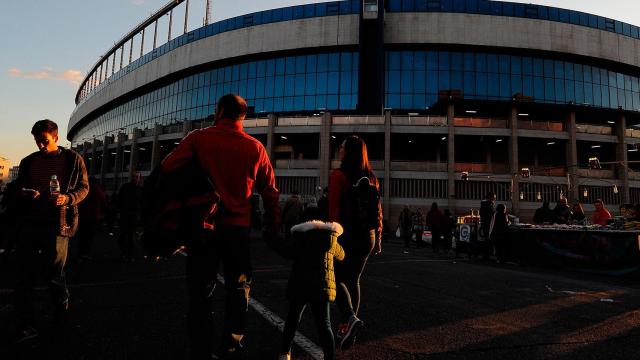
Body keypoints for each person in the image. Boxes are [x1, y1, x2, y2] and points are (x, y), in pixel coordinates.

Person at [161, 94, 280, 359]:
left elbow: (168, 166)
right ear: (243, 116)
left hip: (204, 226)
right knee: (238, 288)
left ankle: (201, 350)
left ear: (219, 112)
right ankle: (230, 345)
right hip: (238, 227)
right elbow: (270, 191)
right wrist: (273, 223)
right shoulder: (255, 147)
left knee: (200, 291)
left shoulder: (198, 138)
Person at [13, 119, 89, 342]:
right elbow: (18, 186)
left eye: (44, 141)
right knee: (23, 275)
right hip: (30, 223)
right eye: (37, 141)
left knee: (55, 274)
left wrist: (68, 198)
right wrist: (24, 192)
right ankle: (25, 324)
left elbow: (84, 188)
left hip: (57, 225)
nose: (40, 145)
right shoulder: (28, 162)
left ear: (55, 137)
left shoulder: (73, 160)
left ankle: (60, 315)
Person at [328, 135, 382, 350]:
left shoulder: (338, 176)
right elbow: (378, 210)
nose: (339, 149)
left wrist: (332, 237)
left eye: (341, 147)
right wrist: (378, 237)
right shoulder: (372, 177)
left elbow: (333, 212)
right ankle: (346, 327)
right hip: (367, 236)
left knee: (335, 277)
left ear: (347, 151)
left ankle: (349, 319)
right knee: (354, 280)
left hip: (346, 234)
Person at [279, 221, 345, 360]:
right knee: (324, 324)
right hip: (323, 286)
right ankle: (329, 356)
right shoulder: (330, 237)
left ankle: (285, 353)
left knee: (292, 320)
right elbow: (342, 255)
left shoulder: (301, 237)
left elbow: (287, 252)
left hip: (300, 283)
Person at [76, 177, 107, 260]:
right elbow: (103, 199)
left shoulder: (83, 189)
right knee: (89, 235)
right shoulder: (96, 189)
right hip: (93, 215)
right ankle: (85, 252)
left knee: (82, 234)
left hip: (82, 215)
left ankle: (80, 252)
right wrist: (103, 212)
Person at [117, 171, 142, 260]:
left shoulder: (139, 189)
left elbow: (142, 203)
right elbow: (119, 200)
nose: (136, 178)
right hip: (125, 214)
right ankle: (124, 253)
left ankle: (129, 254)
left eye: (137, 177)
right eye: (135, 177)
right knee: (124, 235)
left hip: (133, 215)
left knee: (130, 235)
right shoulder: (125, 187)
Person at [479, 192, 496, 260]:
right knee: (488, 240)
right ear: (490, 197)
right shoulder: (489, 205)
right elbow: (491, 215)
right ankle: (487, 255)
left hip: (485, 224)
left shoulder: (483, 204)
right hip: (489, 225)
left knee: (486, 240)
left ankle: (486, 255)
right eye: (494, 197)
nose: (495, 199)